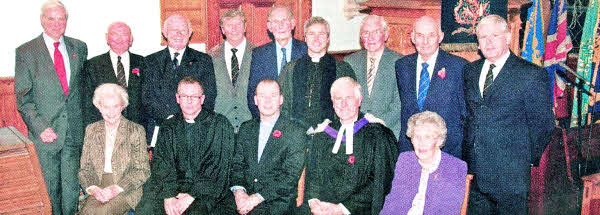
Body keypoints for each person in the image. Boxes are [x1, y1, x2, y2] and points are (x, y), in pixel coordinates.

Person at [463, 15, 554, 215]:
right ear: (477, 43)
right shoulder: (470, 71)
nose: (489, 41)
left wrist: (523, 158)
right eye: (483, 37)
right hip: (477, 173)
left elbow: (544, 125)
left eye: (495, 35)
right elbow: (469, 117)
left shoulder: (530, 74)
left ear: (507, 36)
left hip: (511, 175)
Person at [14, 1, 87, 214]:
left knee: (72, 190)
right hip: (45, 134)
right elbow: (24, 98)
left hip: (73, 132)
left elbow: (81, 91)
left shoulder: (79, 47)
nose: (57, 23)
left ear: (67, 20)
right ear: (42, 20)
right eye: (51, 18)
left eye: (61, 18)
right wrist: (40, 127)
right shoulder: (26, 52)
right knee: (50, 190)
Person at [136, 76, 235, 215]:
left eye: (194, 96)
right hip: (173, 187)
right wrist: (168, 196)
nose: (189, 101)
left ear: (202, 99)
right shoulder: (168, 126)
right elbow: (162, 163)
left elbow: (218, 167)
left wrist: (191, 195)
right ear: (177, 98)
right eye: (184, 96)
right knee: (146, 209)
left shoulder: (219, 125)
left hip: (206, 190)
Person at [303, 77, 398, 215]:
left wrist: (342, 209)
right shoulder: (323, 135)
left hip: (360, 211)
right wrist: (314, 201)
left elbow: (379, 181)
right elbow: (313, 176)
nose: (343, 104)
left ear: (359, 100)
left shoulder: (378, 135)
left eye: (348, 98)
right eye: (338, 99)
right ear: (332, 102)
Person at [228, 79, 307, 214]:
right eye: (262, 96)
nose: (268, 101)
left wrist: (256, 198)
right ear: (255, 100)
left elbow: (289, 177)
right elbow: (237, 165)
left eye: (273, 95)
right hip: (243, 196)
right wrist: (239, 192)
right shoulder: (246, 128)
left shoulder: (295, 132)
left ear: (281, 99)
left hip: (276, 201)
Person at [395, 16, 468, 158]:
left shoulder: (458, 67)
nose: (425, 41)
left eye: (431, 35)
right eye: (420, 36)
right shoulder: (402, 66)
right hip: (411, 149)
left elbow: (464, 114)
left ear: (440, 37)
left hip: (447, 150)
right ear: (413, 38)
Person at [142, 14, 216, 145]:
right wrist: (170, 119)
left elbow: (209, 96)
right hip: (161, 128)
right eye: (173, 30)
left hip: (194, 129)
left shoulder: (203, 60)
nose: (178, 34)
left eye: (183, 30)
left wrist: (187, 119)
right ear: (164, 33)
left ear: (190, 33)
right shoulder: (150, 61)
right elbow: (147, 98)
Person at [78, 83, 150, 214]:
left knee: (102, 212)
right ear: (99, 107)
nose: (111, 112)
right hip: (98, 185)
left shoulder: (135, 130)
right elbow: (85, 169)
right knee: (87, 212)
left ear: (122, 106)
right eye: (106, 107)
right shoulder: (91, 130)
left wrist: (115, 189)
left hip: (125, 187)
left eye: (115, 106)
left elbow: (142, 171)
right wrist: (94, 189)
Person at [380, 111, 467, 214]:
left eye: (427, 137)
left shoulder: (455, 167)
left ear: (439, 140)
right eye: (416, 137)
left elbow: (447, 210)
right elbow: (392, 203)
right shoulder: (405, 160)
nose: (421, 143)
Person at [278, 16, 356, 128]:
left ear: (328, 38)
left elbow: (349, 106)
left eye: (321, 34)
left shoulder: (341, 69)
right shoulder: (291, 69)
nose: (316, 39)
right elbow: (282, 105)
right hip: (296, 131)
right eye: (311, 34)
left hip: (330, 132)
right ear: (305, 38)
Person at [344, 15, 403, 140]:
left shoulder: (399, 62)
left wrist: (376, 124)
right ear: (361, 36)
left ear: (385, 35)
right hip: (356, 132)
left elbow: (399, 103)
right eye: (366, 33)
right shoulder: (350, 62)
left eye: (376, 32)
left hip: (388, 131)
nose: (370, 37)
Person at [247, 5, 308, 118]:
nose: (280, 26)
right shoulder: (259, 54)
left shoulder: (306, 51)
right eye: (275, 21)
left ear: (293, 23)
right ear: (269, 26)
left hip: (300, 122)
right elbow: (253, 93)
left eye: (284, 20)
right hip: (268, 119)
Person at [84, 22, 146, 126]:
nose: (119, 39)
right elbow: (87, 103)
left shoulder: (143, 63)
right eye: (115, 34)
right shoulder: (92, 65)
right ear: (107, 38)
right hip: (104, 128)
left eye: (124, 35)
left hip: (137, 128)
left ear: (131, 38)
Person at [208, 9, 255, 133]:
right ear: (223, 30)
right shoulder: (211, 56)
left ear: (245, 27)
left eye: (238, 24)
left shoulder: (258, 54)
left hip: (251, 126)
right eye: (229, 25)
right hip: (221, 128)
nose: (234, 29)